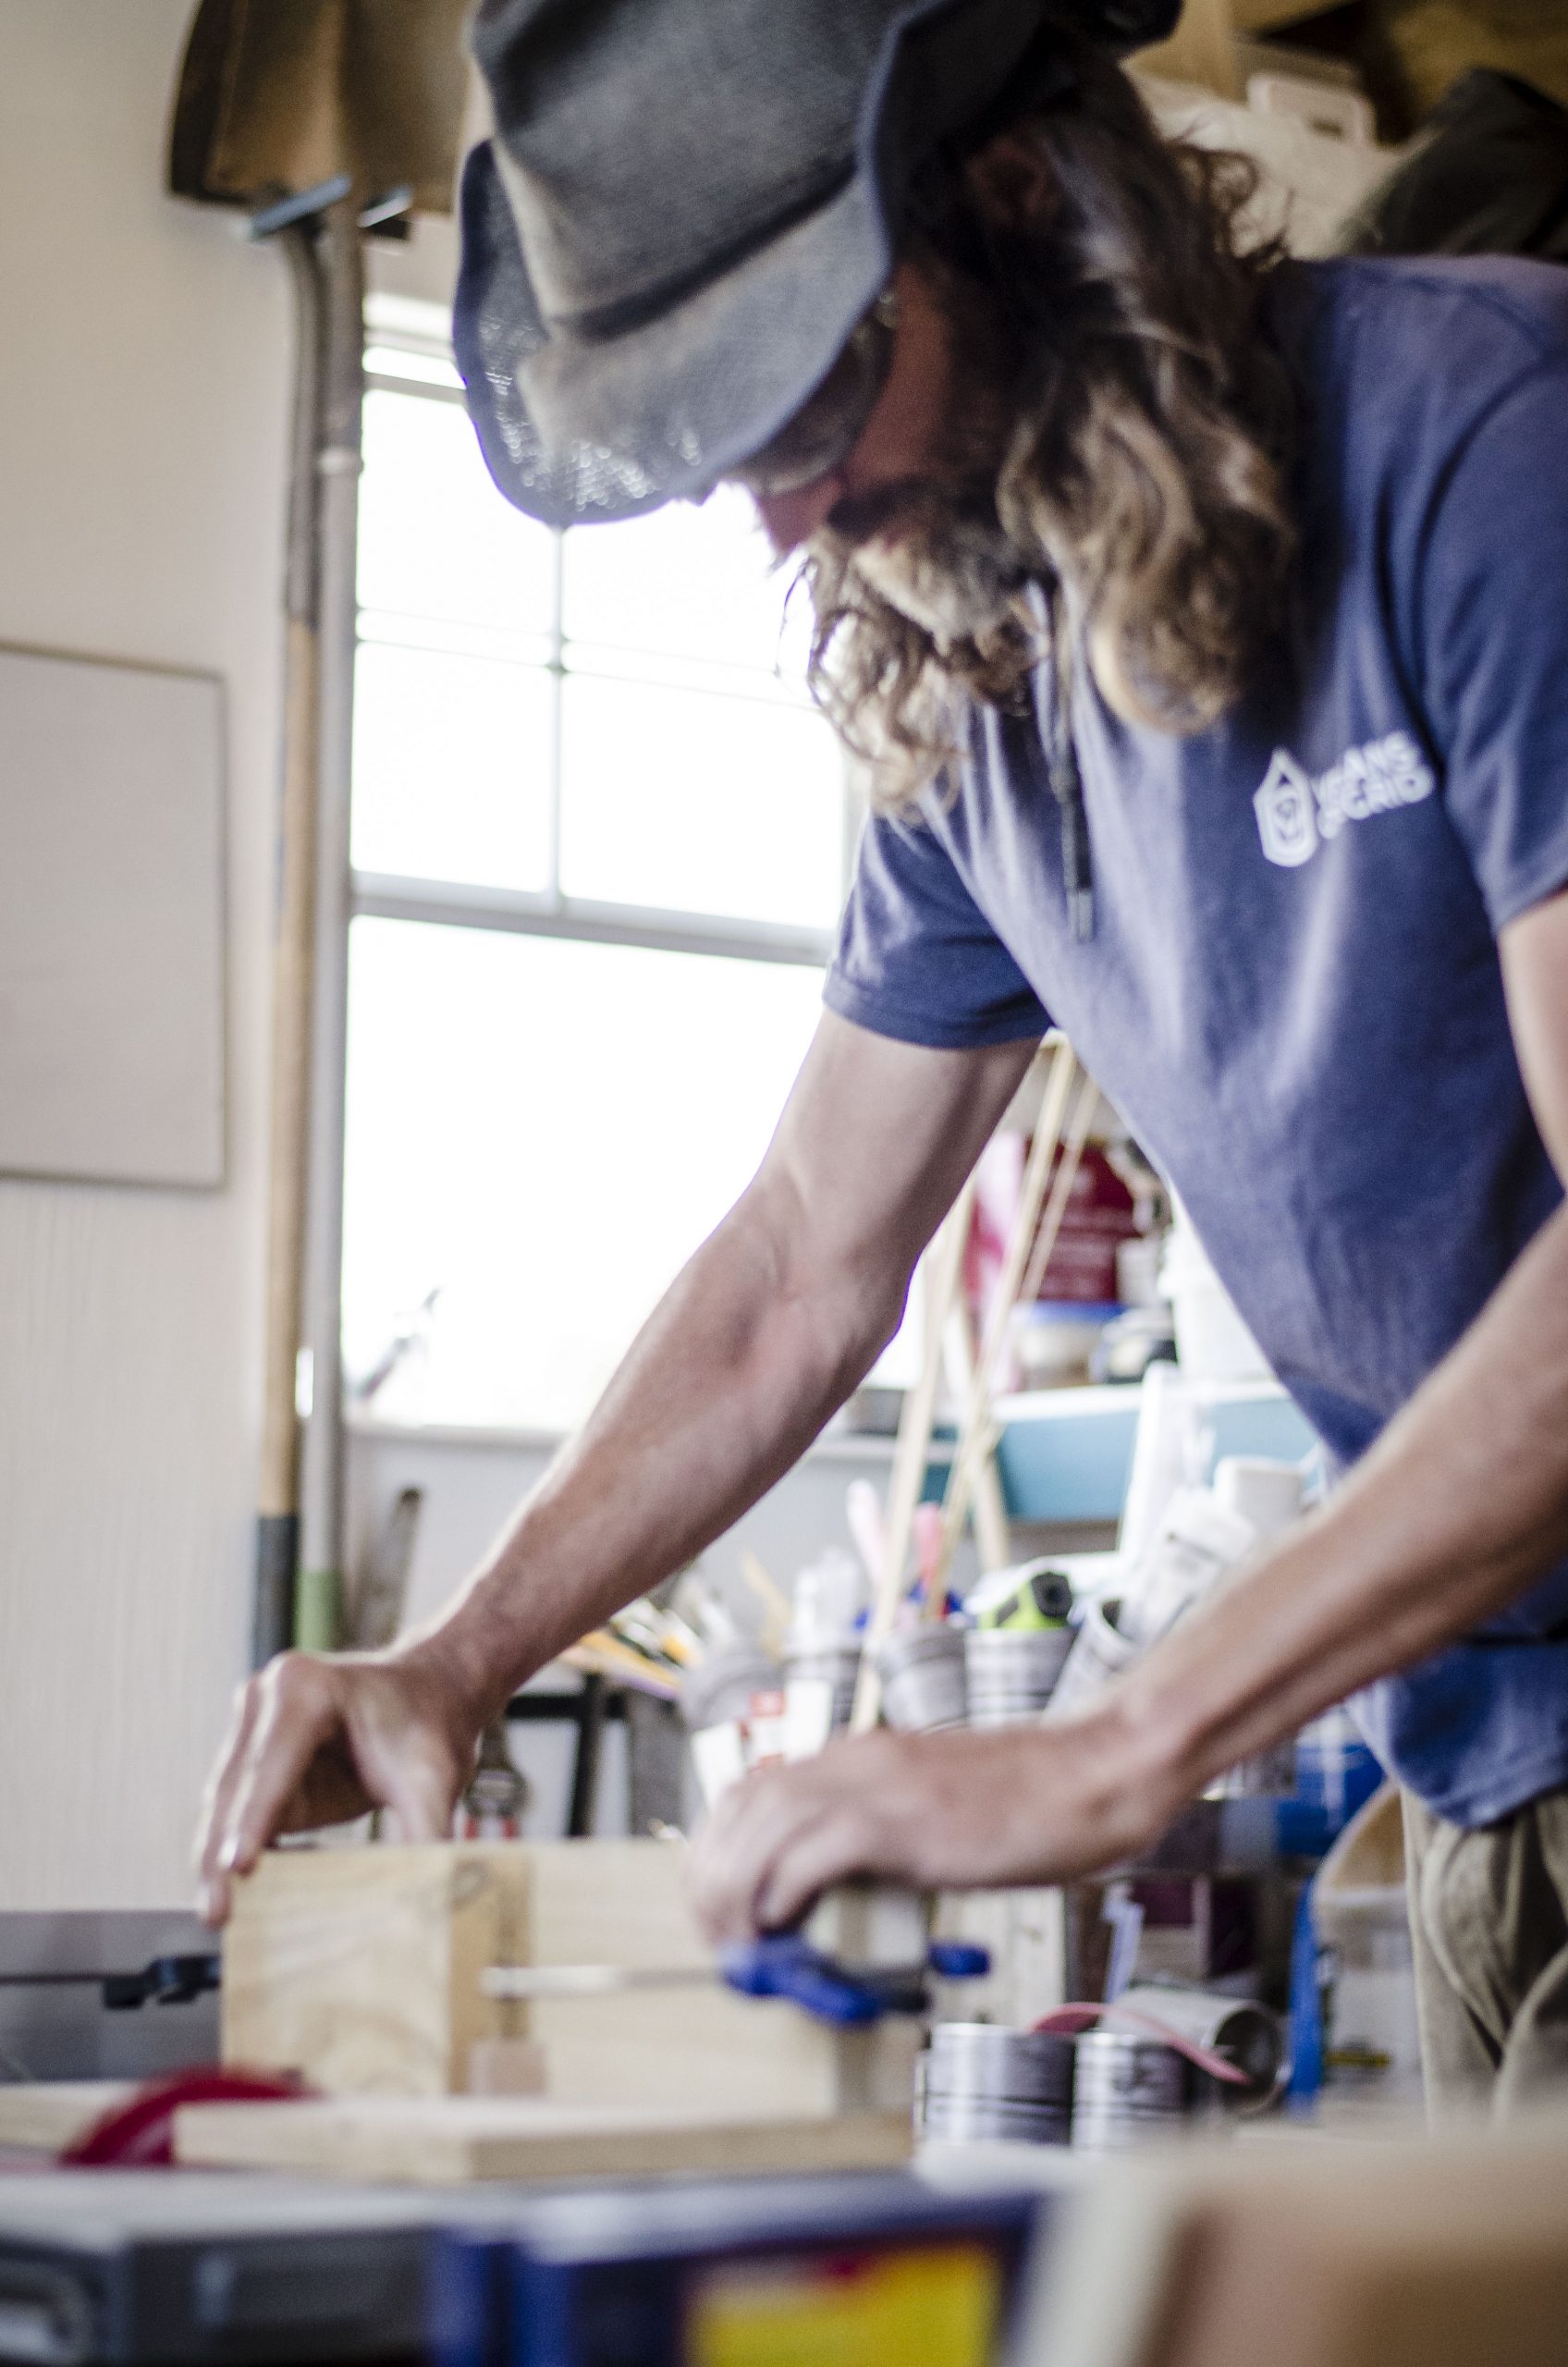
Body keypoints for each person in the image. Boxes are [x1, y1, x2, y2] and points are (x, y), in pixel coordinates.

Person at [196, 0, 1568, 2118]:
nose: (788, 514)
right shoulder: (981, 695)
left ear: (1023, 205)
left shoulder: (1487, 439)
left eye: (817, 384)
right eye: (721, 451)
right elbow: (795, 1267)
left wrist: (1113, 1738)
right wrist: (457, 1656)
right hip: (1490, 1755)